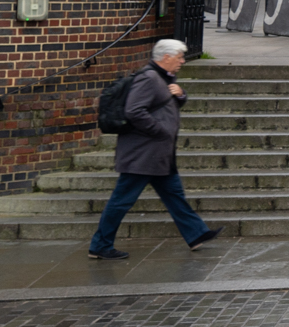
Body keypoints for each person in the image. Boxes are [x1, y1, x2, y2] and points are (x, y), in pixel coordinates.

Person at [87, 39, 222, 260]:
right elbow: (134, 111)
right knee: (121, 201)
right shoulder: (149, 78)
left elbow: (164, 104)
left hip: (158, 155)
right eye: (179, 57)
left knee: (174, 196)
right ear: (165, 57)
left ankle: (197, 234)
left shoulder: (162, 77)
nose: (182, 61)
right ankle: (100, 245)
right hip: (142, 154)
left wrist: (181, 95)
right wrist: (160, 131)